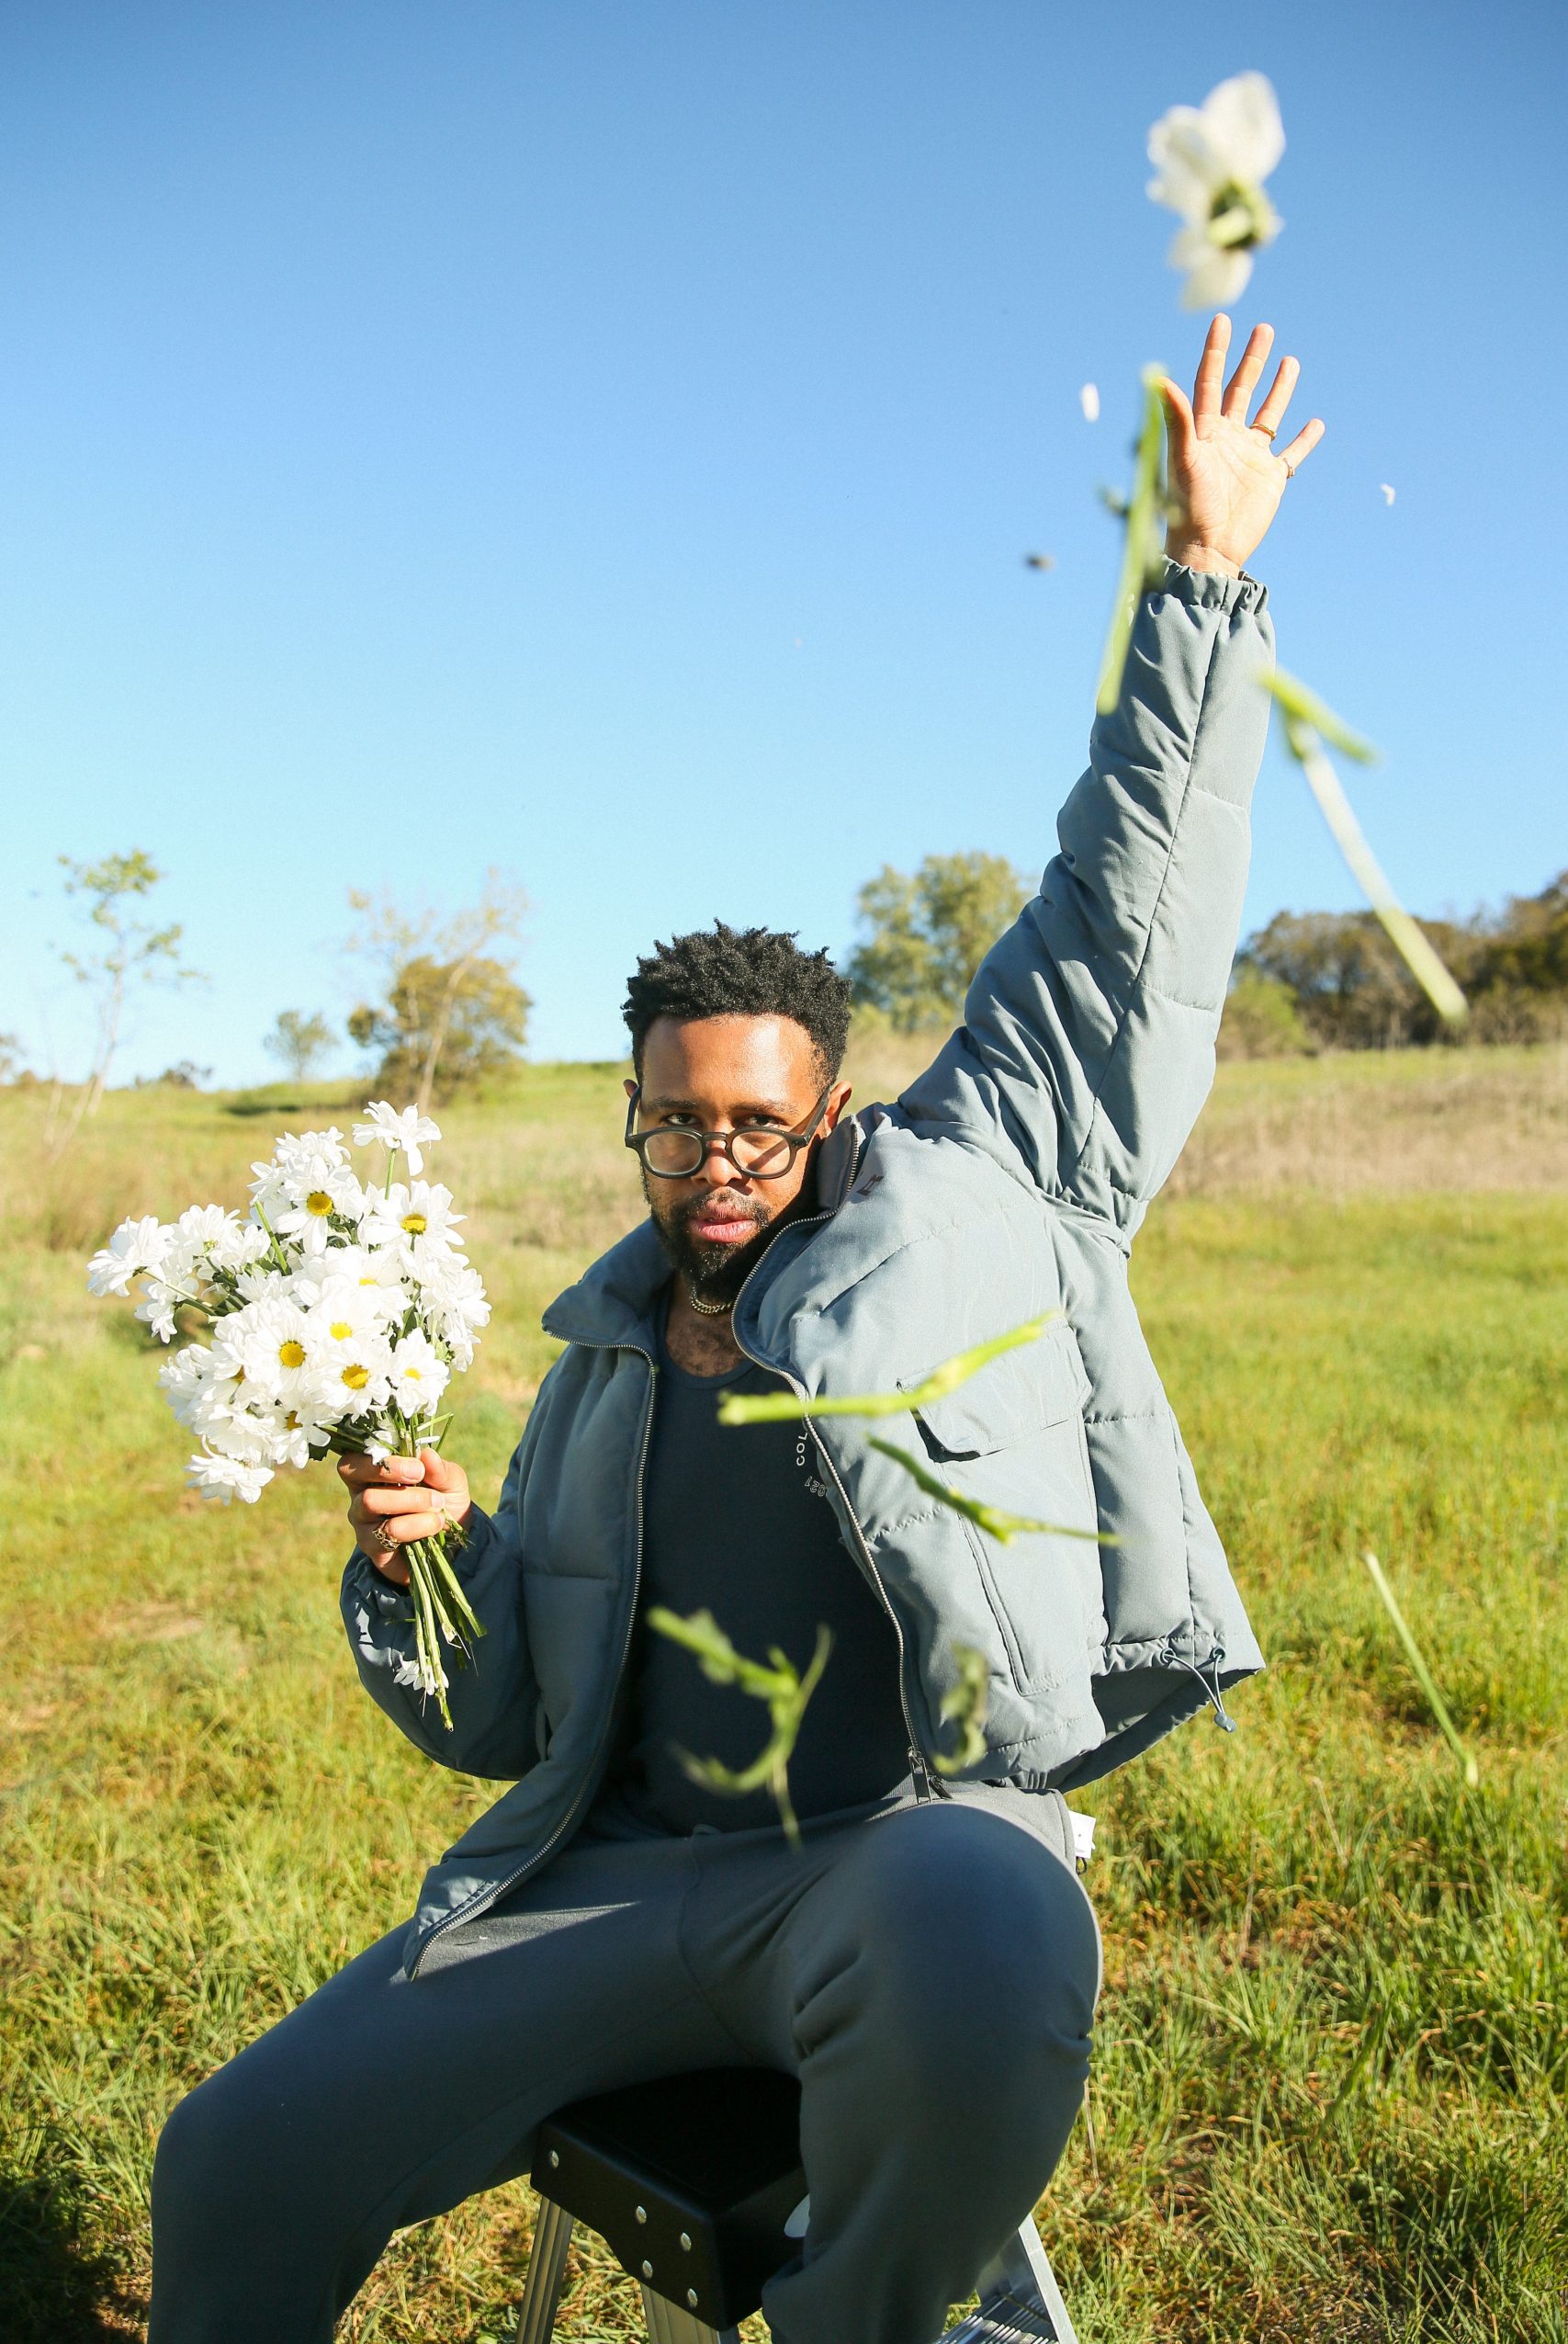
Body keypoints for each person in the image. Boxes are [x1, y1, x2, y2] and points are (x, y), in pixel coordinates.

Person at [149, 314, 1323, 2344]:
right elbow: (503, 1727)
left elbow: (1129, 916)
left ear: (827, 1110)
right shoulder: (595, 1368)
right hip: (612, 1889)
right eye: (675, 1119)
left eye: (759, 1123)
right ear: (632, 1112)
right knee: (232, 2155)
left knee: (993, 1915)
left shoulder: (978, 1187)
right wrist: (424, 1566)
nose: (716, 1160)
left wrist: (1203, 579)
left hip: (881, 1864)